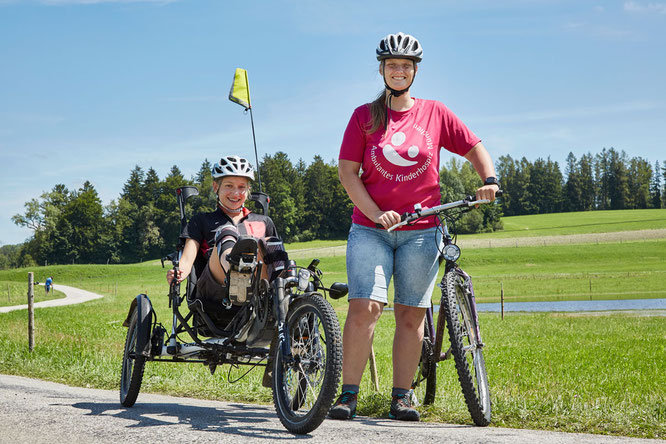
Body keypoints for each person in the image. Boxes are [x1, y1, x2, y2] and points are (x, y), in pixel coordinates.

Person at [330, 32, 500, 422]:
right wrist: (376, 214)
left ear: (415, 71)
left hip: (422, 231)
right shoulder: (364, 116)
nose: (399, 71)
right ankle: (348, 395)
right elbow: (347, 172)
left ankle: (401, 397)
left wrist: (489, 179)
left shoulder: (435, 113)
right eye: (392, 65)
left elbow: (474, 146)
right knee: (366, 307)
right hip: (372, 229)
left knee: (412, 314)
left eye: (406, 65)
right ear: (381, 70)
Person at [166, 155, 279, 314]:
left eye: (241, 187)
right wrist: (179, 273)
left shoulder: (263, 222)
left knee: (268, 242)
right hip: (215, 293)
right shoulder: (202, 220)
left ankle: (286, 292)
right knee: (227, 231)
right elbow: (187, 258)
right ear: (215, 187)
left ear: (248, 190)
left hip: (259, 293)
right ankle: (237, 275)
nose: (235, 193)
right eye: (229, 186)